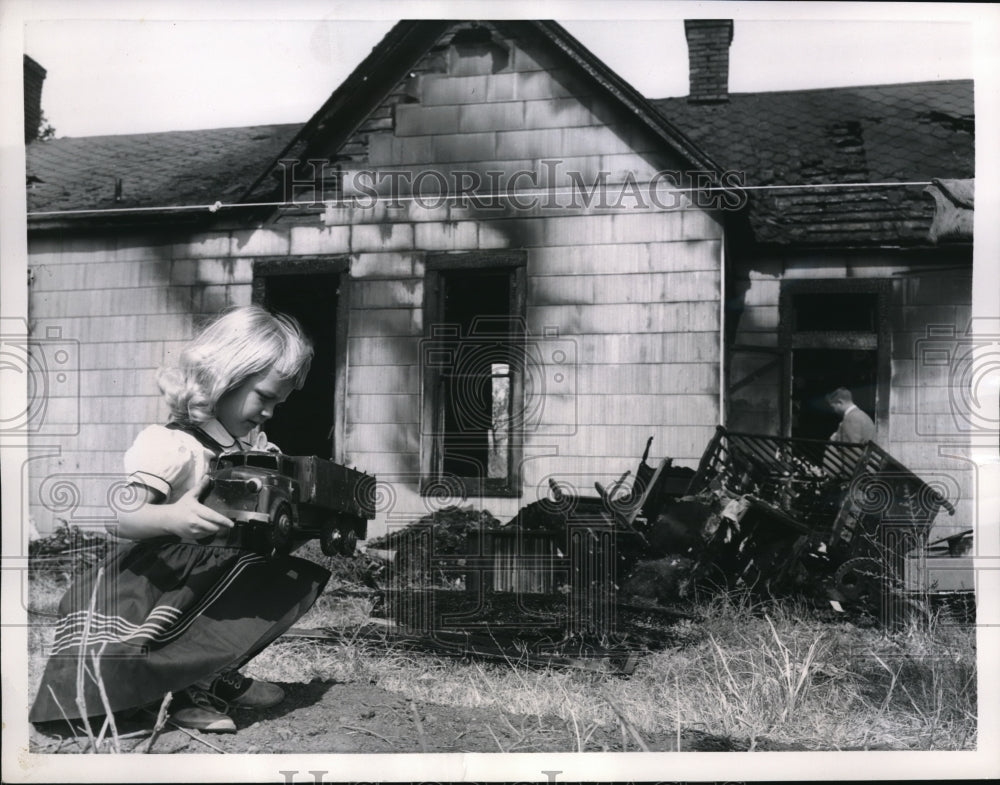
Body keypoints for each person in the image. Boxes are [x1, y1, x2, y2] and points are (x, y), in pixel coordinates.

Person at [30, 305, 331, 734]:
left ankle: (212, 675)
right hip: (168, 576)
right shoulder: (174, 445)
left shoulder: (249, 449)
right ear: (226, 377)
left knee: (276, 583)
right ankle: (184, 693)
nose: (269, 412)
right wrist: (173, 516)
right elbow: (119, 517)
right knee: (200, 613)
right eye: (264, 396)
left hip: (220, 570)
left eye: (277, 404)